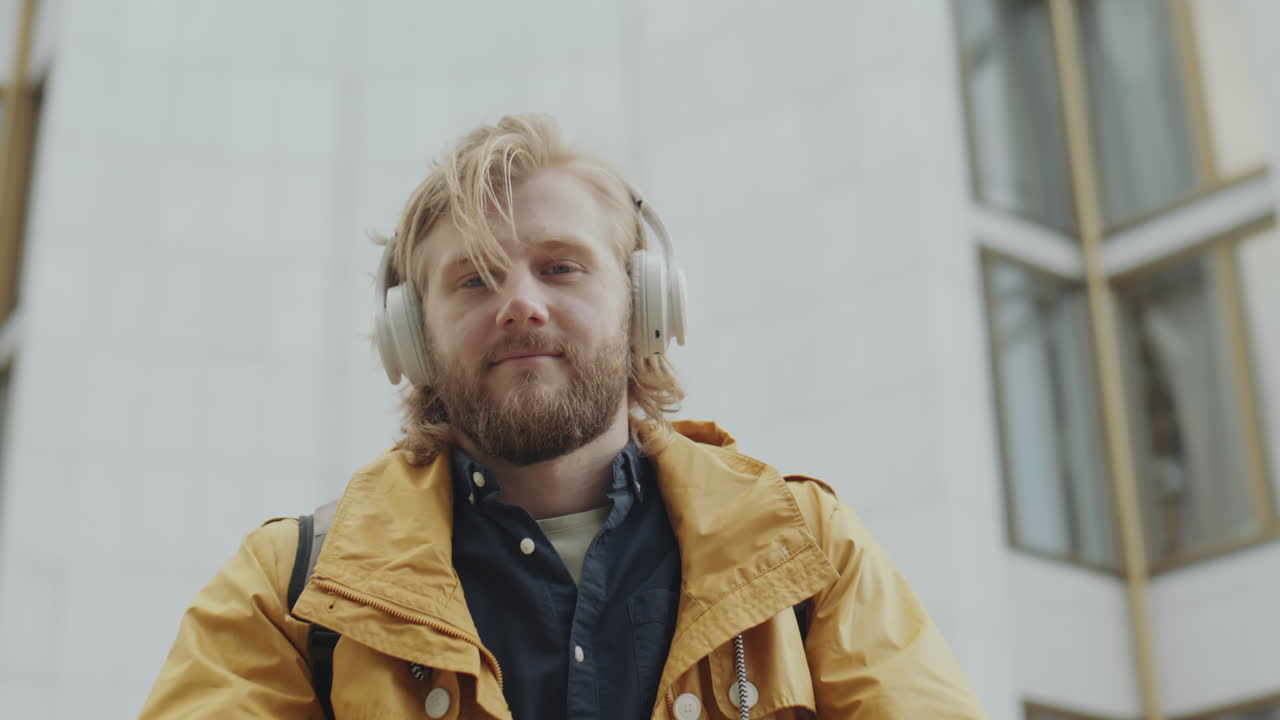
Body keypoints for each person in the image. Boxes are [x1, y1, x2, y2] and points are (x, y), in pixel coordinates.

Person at [140, 115, 987, 719]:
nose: (521, 306)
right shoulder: (288, 593)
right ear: (413, 338)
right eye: (473, 278)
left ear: (646, 306)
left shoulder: (811, 555)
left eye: (562, 267)